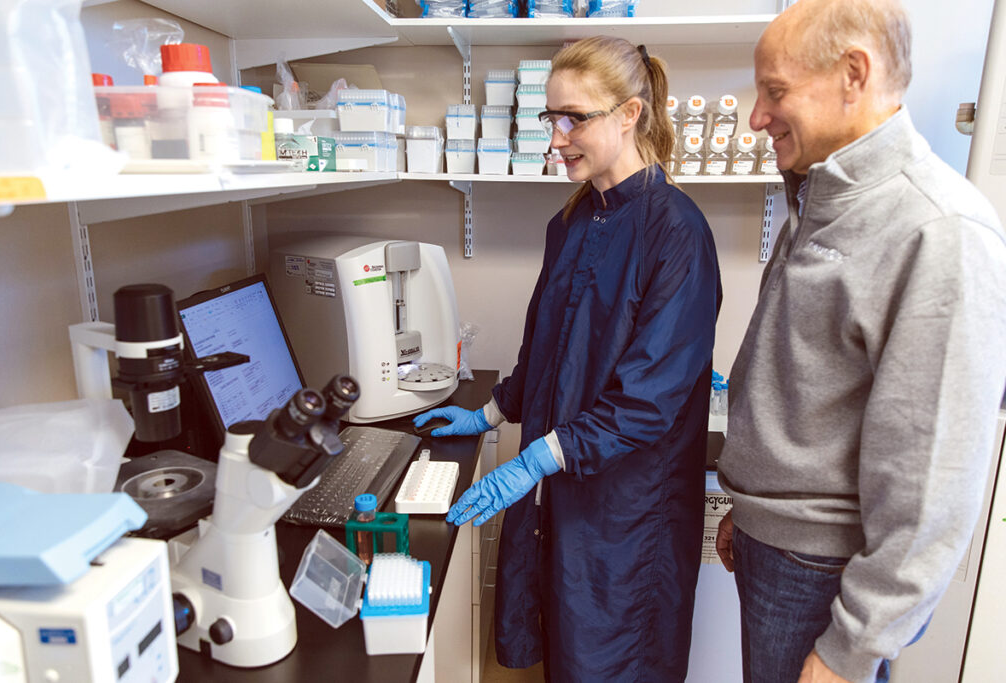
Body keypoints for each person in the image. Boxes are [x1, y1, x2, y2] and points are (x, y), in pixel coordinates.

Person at [714, 1, 1006, 682]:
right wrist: (752, 510)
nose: (757, 117)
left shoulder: (939, 232)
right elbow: (809, 392)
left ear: (854, 73)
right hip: (777, 548)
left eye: (775, 91)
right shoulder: (821, 198)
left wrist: (850, 648)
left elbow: (933, 481)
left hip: (824, 578)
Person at [414, 36, 721, 682]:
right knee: (568, 656)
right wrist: (492, 411)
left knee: (617, 660)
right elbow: (548, 349)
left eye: (573, 118)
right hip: (567, 499)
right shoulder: (573, 221)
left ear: (630, 113)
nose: (556, 138)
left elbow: (647, 403)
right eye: (549, 118)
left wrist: (536, 458)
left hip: (629, 515)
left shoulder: (678, 233)